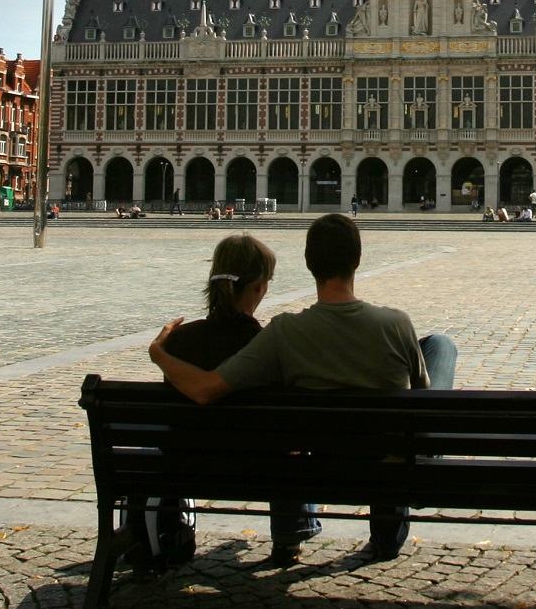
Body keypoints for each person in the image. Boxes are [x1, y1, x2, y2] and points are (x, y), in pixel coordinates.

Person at [149, 213, 456, 566]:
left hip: (314, 456)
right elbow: (420, 395)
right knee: (439, 348)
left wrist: (158, 353)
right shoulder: (397, 323)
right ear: (357, 260)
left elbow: (207, 388)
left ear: (309, 264)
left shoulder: (282, 333)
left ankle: (290, 538)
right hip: (384, 459)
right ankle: (391, 530)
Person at [141, 234, 278, 572]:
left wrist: (158, 354)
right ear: (259, 287)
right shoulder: (267, 345)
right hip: (262, 470)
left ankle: (170, 530)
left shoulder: (178, 342)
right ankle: (291, 535)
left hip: (185, 464)